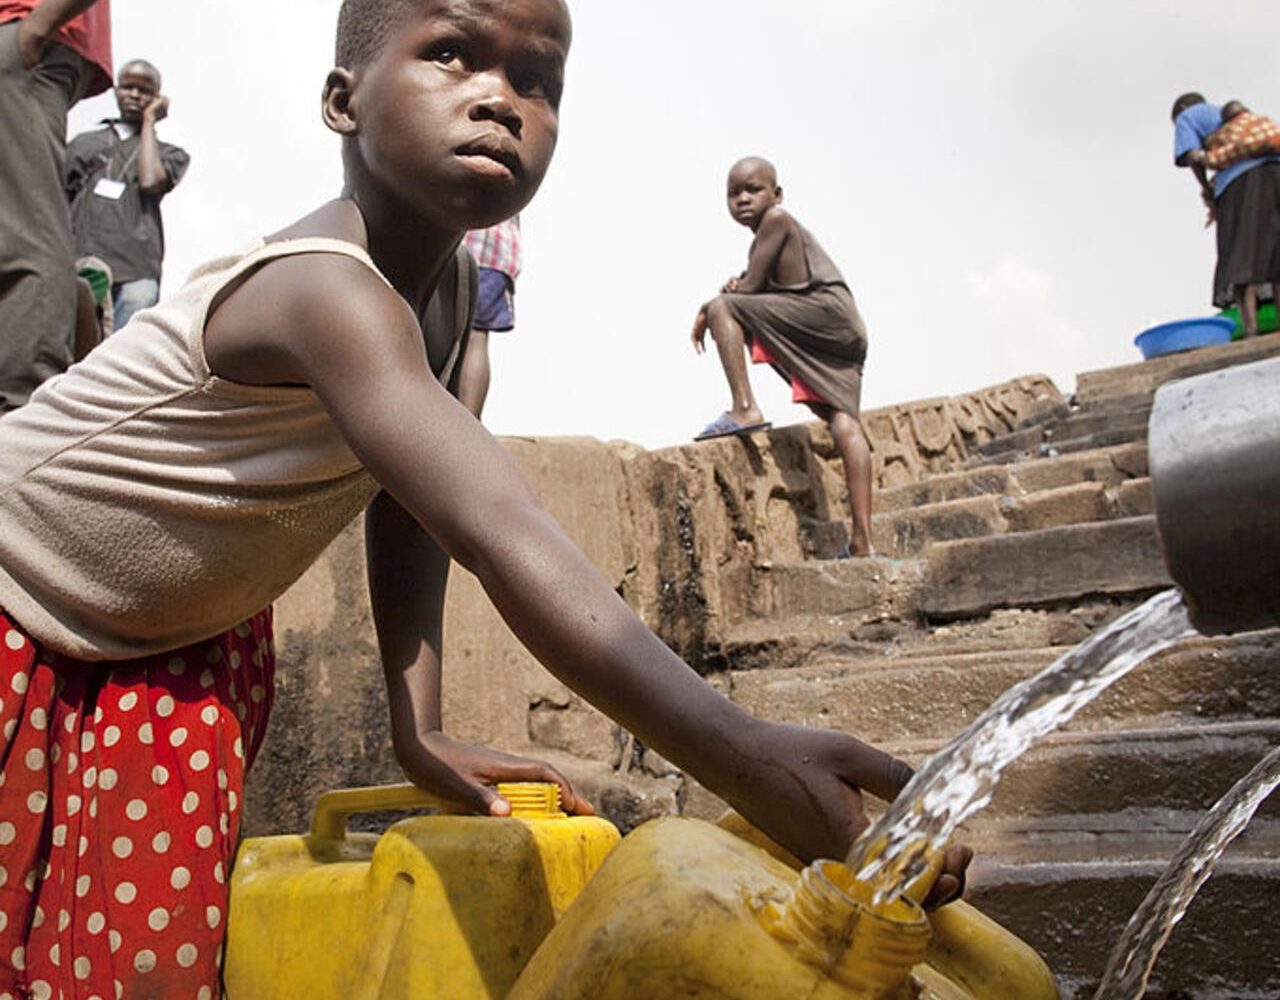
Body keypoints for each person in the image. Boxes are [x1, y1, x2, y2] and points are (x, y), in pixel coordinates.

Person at [0, 1, 969, 995]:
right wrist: (746, 755)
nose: (499, 102)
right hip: (16, 603)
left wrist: (415, 724)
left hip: (166, 649)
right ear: (342, 101)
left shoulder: (450, 292)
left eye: (536, 81)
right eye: (452, 55)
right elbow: (499, 526)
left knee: (141, 967)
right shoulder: (321, 291)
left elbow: (407, 496)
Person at [690, 156, 876, 557]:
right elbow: (757, 287)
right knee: (844, 420)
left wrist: (712, 306)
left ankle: (744, 409)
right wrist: (741, 287)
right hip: (844, 327)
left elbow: (749, 290)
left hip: (823, 314)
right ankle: (862, 541)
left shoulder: (777, 219)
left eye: (752, 190)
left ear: (776, 194)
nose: (742, 199)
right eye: (733, 193)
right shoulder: (769, 234)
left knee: (722, 308)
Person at [0, 0, 112, 413]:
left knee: (25, 239)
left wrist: (37, 26)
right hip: (24, 37)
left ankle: (20, 413)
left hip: (23, 34)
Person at [66, 58, 191, 331]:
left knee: (122, 355)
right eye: (127, 87)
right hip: (80, 259)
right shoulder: (83, 143)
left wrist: (149, 121)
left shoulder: (170, 153)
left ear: (157, 98)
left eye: (144, 90)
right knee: (73, 348)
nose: (134, 95)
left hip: (136, 269)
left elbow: (150, 181)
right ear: (116, 90)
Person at [1172, 92, 1280, 338]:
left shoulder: (1187, 116)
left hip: (1242, 180)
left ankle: (1251, 331)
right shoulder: (1238, 117)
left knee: (1240, 254)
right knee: (1276, 252)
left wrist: (1206, 188)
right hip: (1276, 170)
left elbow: (1192, 157)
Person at [458, 214, 521, 417]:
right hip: (493, 250)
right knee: (475, 337)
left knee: (424, 329)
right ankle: (469, 427)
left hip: (459, 242)